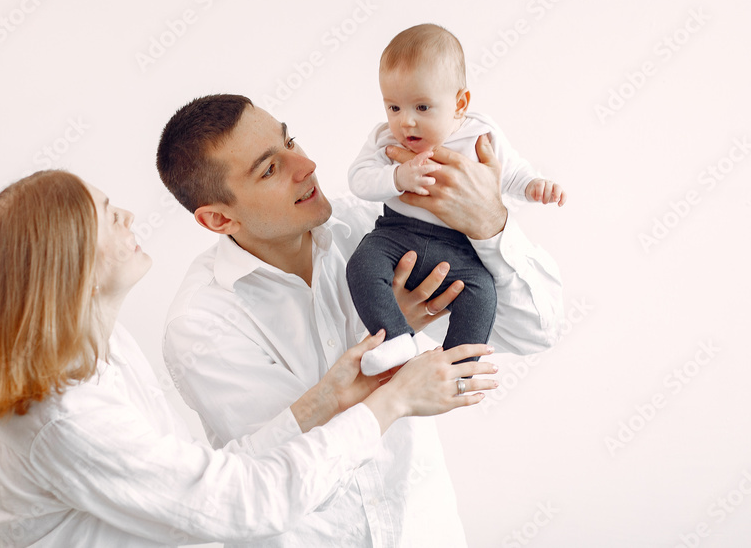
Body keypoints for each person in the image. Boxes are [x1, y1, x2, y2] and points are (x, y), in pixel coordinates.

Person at [0, 169, 498, 548]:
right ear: (65, 259)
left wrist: (328, 397)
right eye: (104, 213)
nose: (125, 212)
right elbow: (239, 504)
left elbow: (215, 476)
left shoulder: (103, 350)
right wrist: (391, 403)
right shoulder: (66, 416)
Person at [157, 94, 564, 546]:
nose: (306, 164)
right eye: (269, 168)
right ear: (218, 219)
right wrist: (388, 325)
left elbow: (535, 330)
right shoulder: (201, 323)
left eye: (290, 139)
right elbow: (283, 481)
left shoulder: (382, 224)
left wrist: (490, 224)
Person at [346, 23, 567, 376]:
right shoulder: (385, 139)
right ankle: (396, 340)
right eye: (394, 107)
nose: (406, 123)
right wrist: (396, 176)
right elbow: (358, 180)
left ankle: (459, 368)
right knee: (361, 264)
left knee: (482, 294)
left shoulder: (480, 133)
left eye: (422, 106)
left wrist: (533, 185)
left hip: (458, 247)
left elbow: (511, 172)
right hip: (396, 234)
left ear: (460, 103)